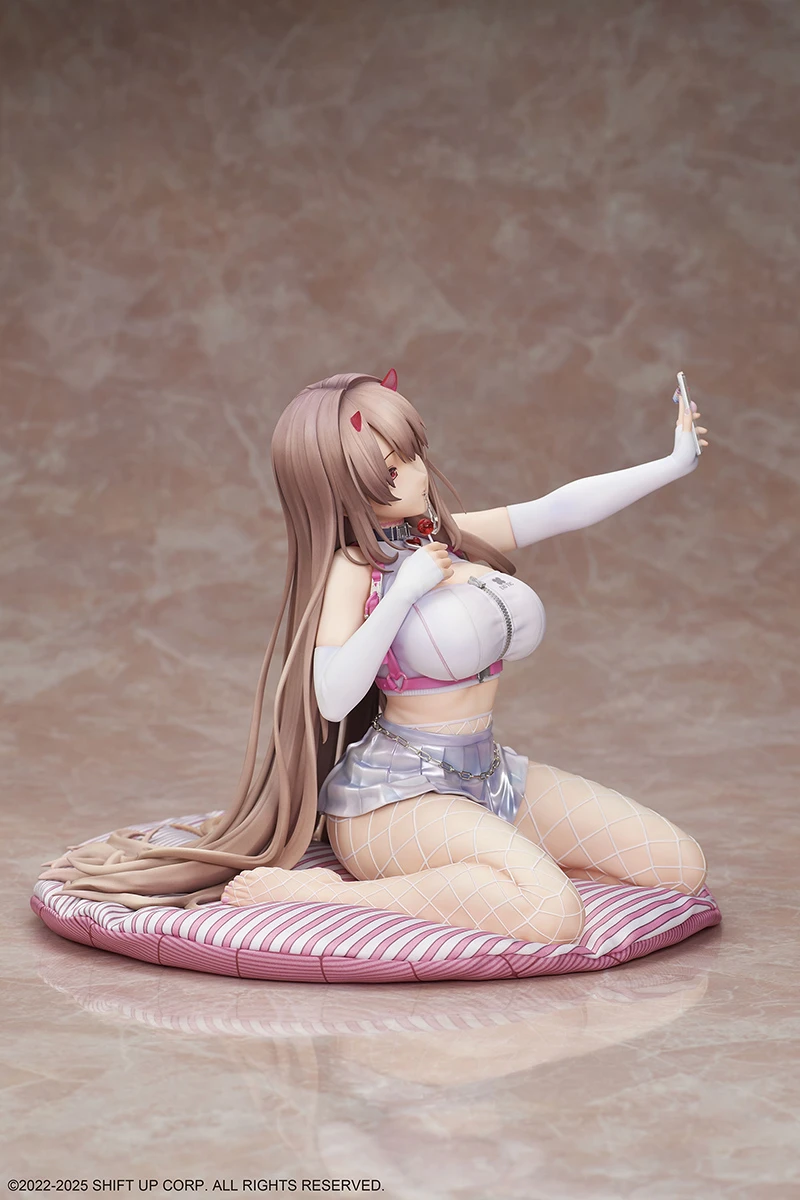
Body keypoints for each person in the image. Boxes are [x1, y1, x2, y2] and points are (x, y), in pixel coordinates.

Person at [39, 370, 710, 945]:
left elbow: (558, 509)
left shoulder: (445, 537)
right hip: (392, 801)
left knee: (679, 867)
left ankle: (486, 871)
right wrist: (404, 592)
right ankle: (331, 898)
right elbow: (332, 694)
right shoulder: (354, 569)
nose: (413, 476)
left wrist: (673, 463)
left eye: (412, 456)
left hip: (487, 776)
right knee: (551, 913)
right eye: (389, 470)